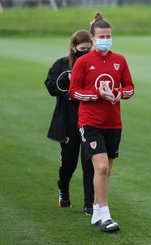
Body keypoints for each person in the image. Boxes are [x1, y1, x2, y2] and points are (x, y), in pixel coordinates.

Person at [69, 11, 135, 232]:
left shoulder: (120, 60)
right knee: (102, 167)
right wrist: (97, 93)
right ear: (93, 38)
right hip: (90, 122)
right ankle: (106, 216)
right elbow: (74, 92)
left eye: (109, 36)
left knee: (106, 171)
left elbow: (130, 87)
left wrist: (119, 93)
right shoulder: (84, 62)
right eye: (101, 37)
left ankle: (97, 211)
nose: (106, 40)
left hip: (113, 123)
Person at [44, 30, 95, 215]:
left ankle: (89, 203)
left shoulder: (94, 64)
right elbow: (50, 86)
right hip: (68, 121)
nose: (86, 52)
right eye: (83, 49)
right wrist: (66, 78)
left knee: (89, 163)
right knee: (69, 164)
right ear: (74, 47)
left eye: (89, 49)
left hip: (90, 119)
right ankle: (63, 189)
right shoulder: (62, 65)